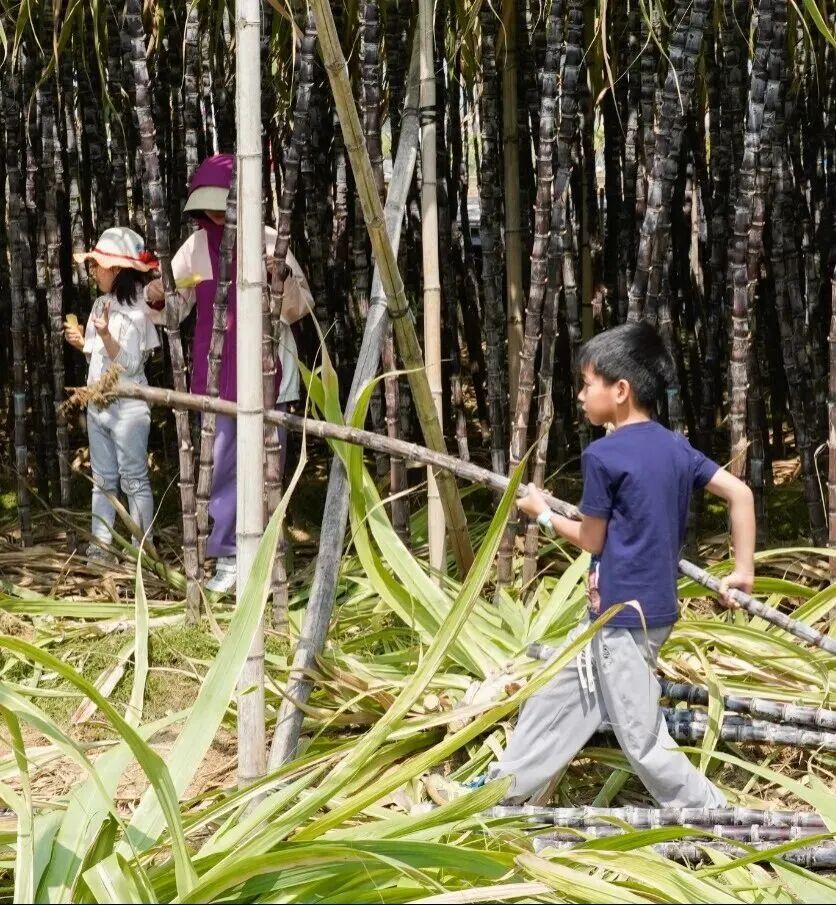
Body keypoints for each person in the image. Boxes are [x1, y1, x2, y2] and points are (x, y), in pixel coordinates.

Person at [437, 322, 756, 808]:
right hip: (624, 616)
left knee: (641, 738)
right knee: (553, 696)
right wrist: (743, 570)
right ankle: (503, 790)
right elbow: (740, 493)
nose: (582, 395)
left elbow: (591, 537)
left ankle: (714, 814)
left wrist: (542, 513)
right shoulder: (675, 446)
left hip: (624, 621)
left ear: (620, 390)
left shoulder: (604, 455)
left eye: (588, 384)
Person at [145, 153, 312, 593]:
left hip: (269, 373)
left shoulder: (270, 240)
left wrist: (279, 279)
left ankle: (266, 559)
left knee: (267, 466)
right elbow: (174, 308)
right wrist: (157, 293)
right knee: (219, 466)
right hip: (214, 375)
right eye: (210, 205)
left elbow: (300, 308)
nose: (217, 213)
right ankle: (227, 557)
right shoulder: (196, 246)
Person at [64, 227, 161, 564]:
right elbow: (98, 359)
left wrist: (105, 336)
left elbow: (130, 365)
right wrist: (84, 341)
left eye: (98, 265)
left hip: (128, 407)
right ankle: (101, 548)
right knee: (103, 480)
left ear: (117, 269)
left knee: (134, 480)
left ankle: (141, 552)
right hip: (98, 403)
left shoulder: (139, 309)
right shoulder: (100, 303)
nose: (93, 271)